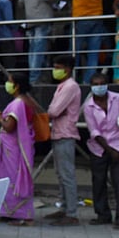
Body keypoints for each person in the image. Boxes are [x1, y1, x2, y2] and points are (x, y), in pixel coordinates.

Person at [83, 73, 119, 229]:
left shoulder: (118, 99)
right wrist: (110, 151)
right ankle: (102, 214)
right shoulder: (88, 106)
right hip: (99, 147)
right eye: (96, 84)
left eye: (102, 83)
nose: (99, 86)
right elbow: (94, 132)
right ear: (91, 86)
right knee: (99, 182)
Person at [0, 73, 40, 226]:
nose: (7, 84)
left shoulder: (18, 103)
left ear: (17, 85)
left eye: (10, 81)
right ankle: (10, 212)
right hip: (18, 146)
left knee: (13, 179)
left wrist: (0, 118)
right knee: (12, 178)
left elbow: (10, 126)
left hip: (14, 148)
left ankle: (22, 214)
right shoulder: (28, 100)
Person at [44, 55, 82, 226]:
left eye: (58, 67)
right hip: (58, 132)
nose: (55, 70)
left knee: (67, 174)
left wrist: (53, 110)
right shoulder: (62, 86)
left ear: (67, 69)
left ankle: (71, 212)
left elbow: (54, 110)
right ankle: (64, 207)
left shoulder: (70, 87)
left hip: (66, 133)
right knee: (61, 174)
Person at [66, 0, 110, 83]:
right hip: (97, 18)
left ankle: (72, 78)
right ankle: (88, 81)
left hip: (79, 18)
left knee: (75, 51)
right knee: (93, 53)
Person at [19, 0, 55, 84]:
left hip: (30, 19)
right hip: (42, 18)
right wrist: (55, 2)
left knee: (34, 49)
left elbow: (20, 3)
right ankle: (35, 78)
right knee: (39, 49)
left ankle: (37, 76)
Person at [0, 0, 18, 76]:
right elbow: (9, 20)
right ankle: (10, 78)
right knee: (9, 61)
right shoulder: (6, 2)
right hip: (6, 35)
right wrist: (16, 27)